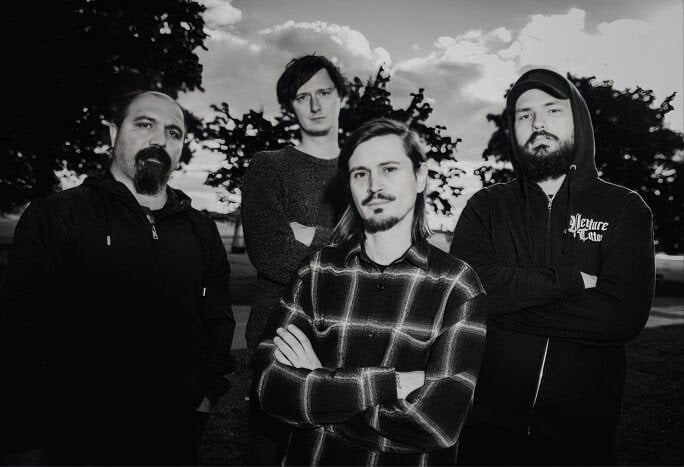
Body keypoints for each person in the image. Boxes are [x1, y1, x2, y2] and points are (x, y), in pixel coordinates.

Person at [0, 91, 235, 465]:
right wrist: (22, 440)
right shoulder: (59, 215)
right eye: (145, 124)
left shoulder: (201, 229)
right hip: (78, 434)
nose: (159, 139)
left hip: (174, 432)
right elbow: (17, 334)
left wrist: (204, 397)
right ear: (113, 133)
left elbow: (217, 319)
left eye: (174, 132)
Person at [254, 118, 487, 466]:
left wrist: (320, 384)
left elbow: (435, 424)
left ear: (420, 177)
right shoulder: (316, 271)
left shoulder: (458, 286)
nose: (374, 185)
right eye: (360, 173)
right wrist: (392, 384)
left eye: (389, 169)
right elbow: (270, 387)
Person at [451, 68, 655, 465]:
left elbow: (622, 316)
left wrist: (503, 304)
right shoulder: (486, 207)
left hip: (582, 437)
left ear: (578, 121)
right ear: (513, 130)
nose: (538, 123)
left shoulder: (625, 208)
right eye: (524, 114)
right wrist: (570, 281)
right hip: (485, 427)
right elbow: (466, 295)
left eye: (552, 110)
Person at [240, 54, 348, 464]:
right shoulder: (269, 167)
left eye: (324, 92)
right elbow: (271, 253)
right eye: (303, 97)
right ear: (290, 105)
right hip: (281, 339)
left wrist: (310, 235)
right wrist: (348, 247)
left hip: (351, 338)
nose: (316, 105)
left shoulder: (363, 167)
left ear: (340, 97)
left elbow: (386, 247)